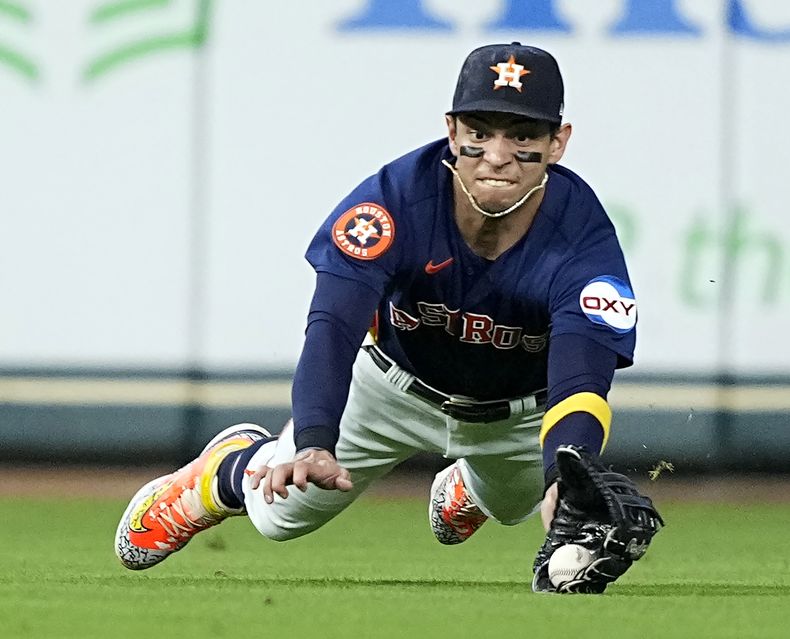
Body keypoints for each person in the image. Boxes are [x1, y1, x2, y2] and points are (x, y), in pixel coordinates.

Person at [115, 42, 648, 588]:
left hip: (516, 415)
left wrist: (566, 470)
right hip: (391, 389)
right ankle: (222, 471)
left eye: (523, 136)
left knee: (518, 507)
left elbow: (581, 382)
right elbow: (333, 328)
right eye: (479, 131)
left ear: (558, 143)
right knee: (281, 516)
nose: (497, 154)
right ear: (451, 131)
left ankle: (466, 483)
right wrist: (315, 441)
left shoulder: (582, 239)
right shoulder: (394, 201)